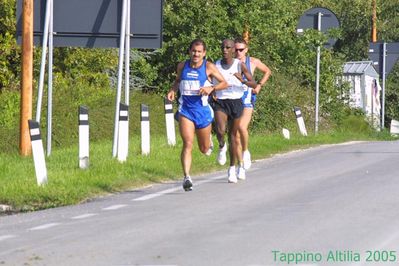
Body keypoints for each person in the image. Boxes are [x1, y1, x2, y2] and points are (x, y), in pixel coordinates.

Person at [167, 39, 228, 191]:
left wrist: (211, 88)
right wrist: (173, 90)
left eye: (199, 52)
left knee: (203, 148)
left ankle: (209, 143)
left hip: (202, 112)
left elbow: (224, 83)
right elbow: (177, 81)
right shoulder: (182, 66)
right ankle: (187, 177)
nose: (196, 54)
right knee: (187, 143)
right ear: (189, 51)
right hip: (185, 110)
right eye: (194, 51)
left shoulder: (208, 67)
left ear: (204, 53)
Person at [212, 39, 257, 183]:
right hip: (221, 101)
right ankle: (221, 145)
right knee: (220, 129)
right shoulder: (215, 65)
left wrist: (242, 80)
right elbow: (206, 78)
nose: (225, 50)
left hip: (236, 102)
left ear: (233, 50)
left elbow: (253, 83)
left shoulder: (240, 65)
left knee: (233, 136)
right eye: (222, 47)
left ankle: (233, 168)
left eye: (228, 47)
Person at [234, 37, 271, 170]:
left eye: (241, 50)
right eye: (236, 49)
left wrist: (259, 85)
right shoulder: (229, 63)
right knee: (234, 134)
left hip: (247, 99)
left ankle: (245, 152)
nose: (238, 52)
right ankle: (239, 162)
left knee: (242, 128)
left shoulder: (253, 62)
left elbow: (267, 71)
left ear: (246, 50)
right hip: (232, 100)